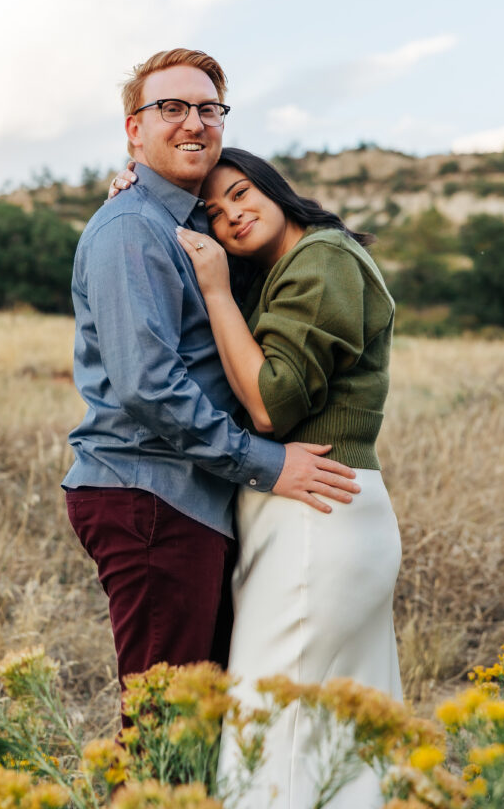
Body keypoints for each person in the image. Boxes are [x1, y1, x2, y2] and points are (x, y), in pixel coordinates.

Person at [63, 49, 360, 705]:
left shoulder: (189, 222)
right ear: (133, 129)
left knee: (203, 719)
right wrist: (267, 464)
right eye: (169, 108)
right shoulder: (132, 231)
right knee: (168, 727)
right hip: (151, 495)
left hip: (184, 495)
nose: (192, 122)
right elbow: (148, 388)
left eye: (207, 108)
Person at [111, 147, 403, 809]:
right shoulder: (283, 268)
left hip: (314, 514)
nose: (232, 215)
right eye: (212, 212)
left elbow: (271, 404)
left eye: (242, 193)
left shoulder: (322, 259)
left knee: (264, 722)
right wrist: (136, 194)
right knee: (339, 734)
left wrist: (214, 288)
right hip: (319, 508)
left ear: (273, 187)